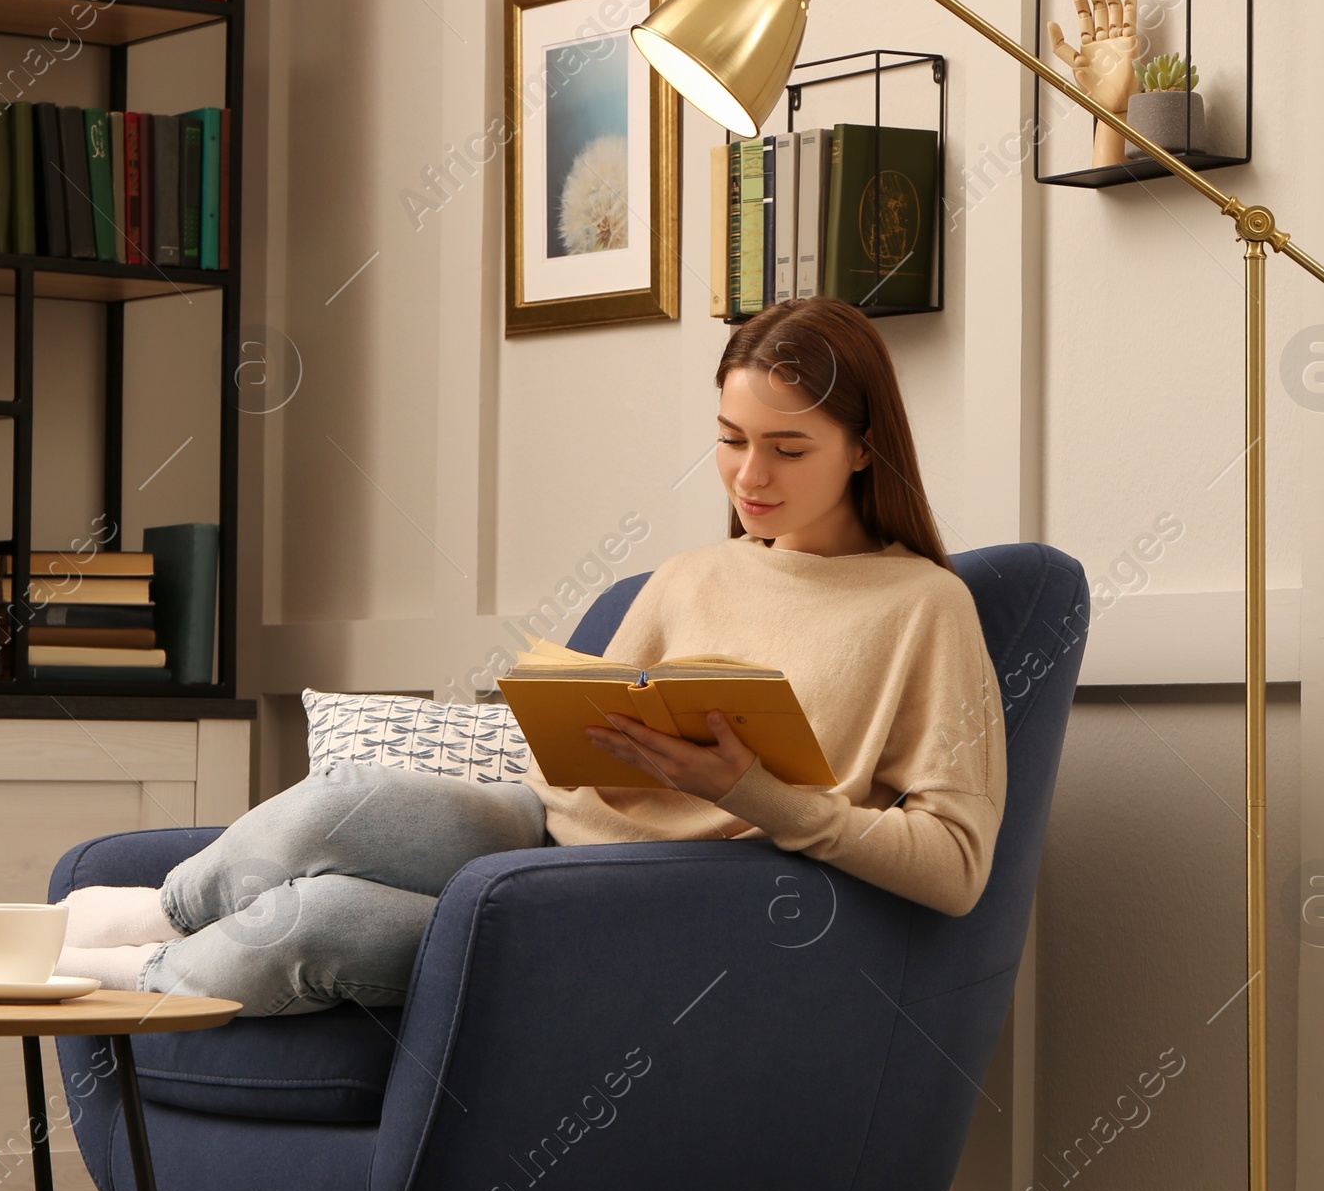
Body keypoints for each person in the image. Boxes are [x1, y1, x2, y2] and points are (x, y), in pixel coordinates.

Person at [59, 298, 1005, 1012]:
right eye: (730, 441)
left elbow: (956, 869)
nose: (749, 477)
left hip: (632, 916)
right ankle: (171, 919)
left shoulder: (924, 609)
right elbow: (574, 767)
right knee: (345, 798)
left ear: (863, 449)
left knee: (319, 922)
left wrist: (747, 791)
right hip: (542, 835)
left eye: (788, 449)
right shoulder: (687, 576)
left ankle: (136, 975)